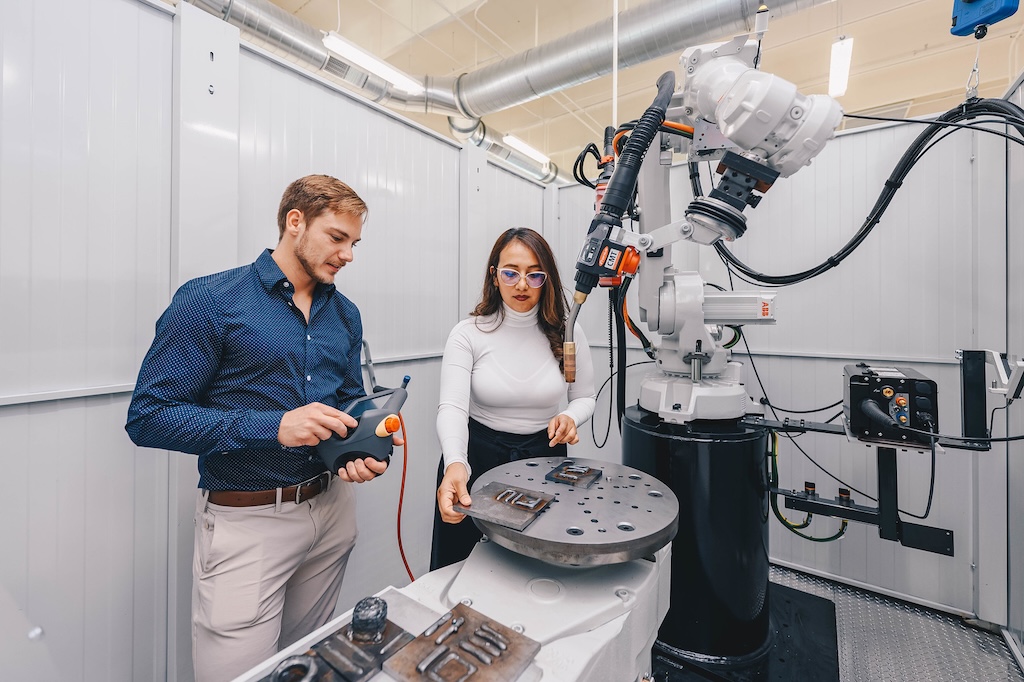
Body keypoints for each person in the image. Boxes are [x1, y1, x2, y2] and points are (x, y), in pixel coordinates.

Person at [125, 175, 398, 682]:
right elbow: (148, 417)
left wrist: (365, 442)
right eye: (338, 238)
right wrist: (273, 427)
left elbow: (344, 403)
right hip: (247, 524)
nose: (349, 255)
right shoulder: (210, 300)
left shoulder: (345, 313)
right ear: (295, 222)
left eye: (355, 243)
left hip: (331, 513)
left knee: (307, 667)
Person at [431, 227, 596, 569]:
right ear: (494, 275)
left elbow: (585, 397)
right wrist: (455, 463)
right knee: (459, 565)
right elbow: (453, 408)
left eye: (534, 275)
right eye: (511, 272)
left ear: (546, 279)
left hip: (545, 460)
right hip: (476, 458)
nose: (522, 284)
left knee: (534, 565)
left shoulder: (568, 332)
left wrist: (570, 417)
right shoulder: (469, 333)